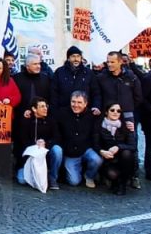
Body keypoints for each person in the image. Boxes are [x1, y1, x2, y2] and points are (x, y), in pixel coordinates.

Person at [90, 51, 143, 189]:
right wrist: (102, 110)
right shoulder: (101, 77)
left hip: (126, 114)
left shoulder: (131, 77)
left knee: (131, 145)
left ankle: (133, 176)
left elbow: (138, 97)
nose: (109, 64)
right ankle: (106, 174)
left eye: (112, 62)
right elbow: (97, 95)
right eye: (108, 61)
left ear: (120, 62)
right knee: (106, 141)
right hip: (106, 114)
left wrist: (128, 110)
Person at [14, 97, 61, 189]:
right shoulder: (26, 120)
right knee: (22, 180)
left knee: (58, 150)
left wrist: (45, 144)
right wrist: (35, 145)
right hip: (28, 158)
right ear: (34, 109)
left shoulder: (51, 120)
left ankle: (52, 178)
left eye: (46, 106)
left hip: (45, 155)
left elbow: (57, 137)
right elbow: (23, 141)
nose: (45, 108)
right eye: (42, 106)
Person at [57, 92, 102, 187]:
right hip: (70, 153)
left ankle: (89, 176)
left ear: (85, 103)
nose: (75, 105)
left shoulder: (91, 115)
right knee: (74, 182)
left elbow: (95, 134)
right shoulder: (61, 114)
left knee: (97, 159)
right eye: (73, 102)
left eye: (79, 102)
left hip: (85, 149)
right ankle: (76, 170)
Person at [97, 102, 138, 195]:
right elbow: (95, 143)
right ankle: (115, 182)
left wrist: (118, 147)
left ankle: (122, 184)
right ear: (106, 112)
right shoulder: (99, 126)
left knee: (126, 153)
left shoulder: (126, 126)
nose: (116, 112)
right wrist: (102, 151)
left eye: (119, 111)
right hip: (108, 159)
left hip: (124, 160)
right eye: (112, 110)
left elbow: (133, 146)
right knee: (112, 174)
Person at [51, 45, 91, 113]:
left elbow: (96, 92)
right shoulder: (59, 72)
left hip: (84, 112)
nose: (76, 59)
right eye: (73, 56)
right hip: (63, 112)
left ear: (81, 58)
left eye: (78, 56)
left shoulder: (88, 73)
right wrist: (55, 110)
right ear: (68, 58)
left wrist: (96, 106)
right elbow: (53, 93)